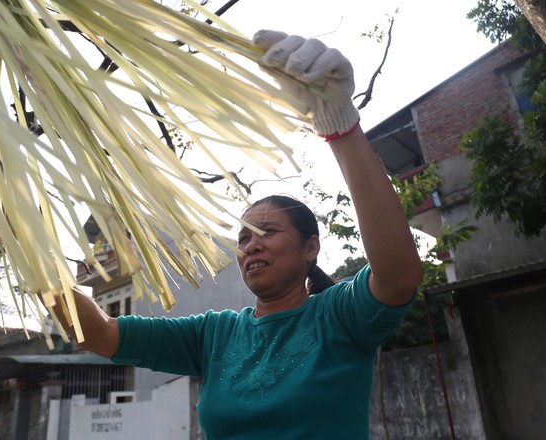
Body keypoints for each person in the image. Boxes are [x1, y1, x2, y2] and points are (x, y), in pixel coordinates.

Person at [61, 30, 422, 439]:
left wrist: (340, 127)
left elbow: (397, 275)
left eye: (268, 231)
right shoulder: (213, 335)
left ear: (311, 247)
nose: (251, 244)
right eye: (244, 237)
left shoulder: (338, 317)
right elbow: (99, 333)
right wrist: (26, 246)